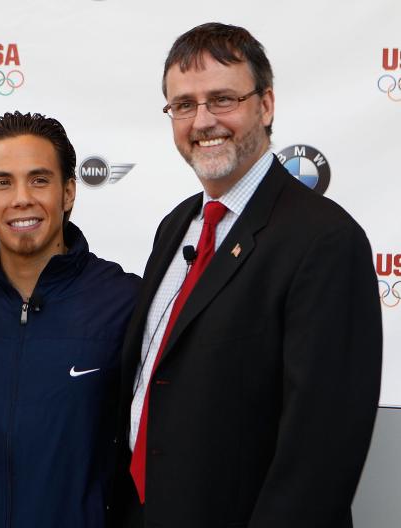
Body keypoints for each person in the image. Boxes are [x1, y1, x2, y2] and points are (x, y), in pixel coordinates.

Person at [109, 23, 382, 528]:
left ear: (267, 105)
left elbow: (320, 452)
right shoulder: (177, 225)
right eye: (183, 105)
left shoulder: (325, 240)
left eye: (223, 99)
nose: (203, 120)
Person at [0, 111, 140, 527]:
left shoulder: (127, 302)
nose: (21, 198)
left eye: (39, 180)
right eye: (2, 182)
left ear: (68, 193)